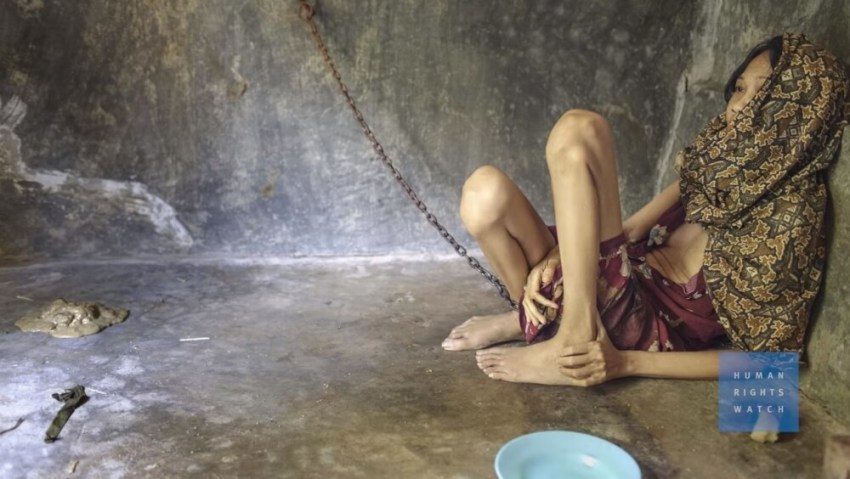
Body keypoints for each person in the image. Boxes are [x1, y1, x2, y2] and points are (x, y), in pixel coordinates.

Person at [441, 33, 850, 386]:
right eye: (739, 89)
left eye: (760, 94)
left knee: (580, 129)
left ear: (798, 115)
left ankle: (573, 338)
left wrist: (626, 364)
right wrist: (556, 257)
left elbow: (773, 365)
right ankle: (537, 319)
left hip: (640, 325)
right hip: (618, 276)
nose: (738, 106)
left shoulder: (790, 219)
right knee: (484, 192)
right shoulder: (721, 162)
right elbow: (630, 230)